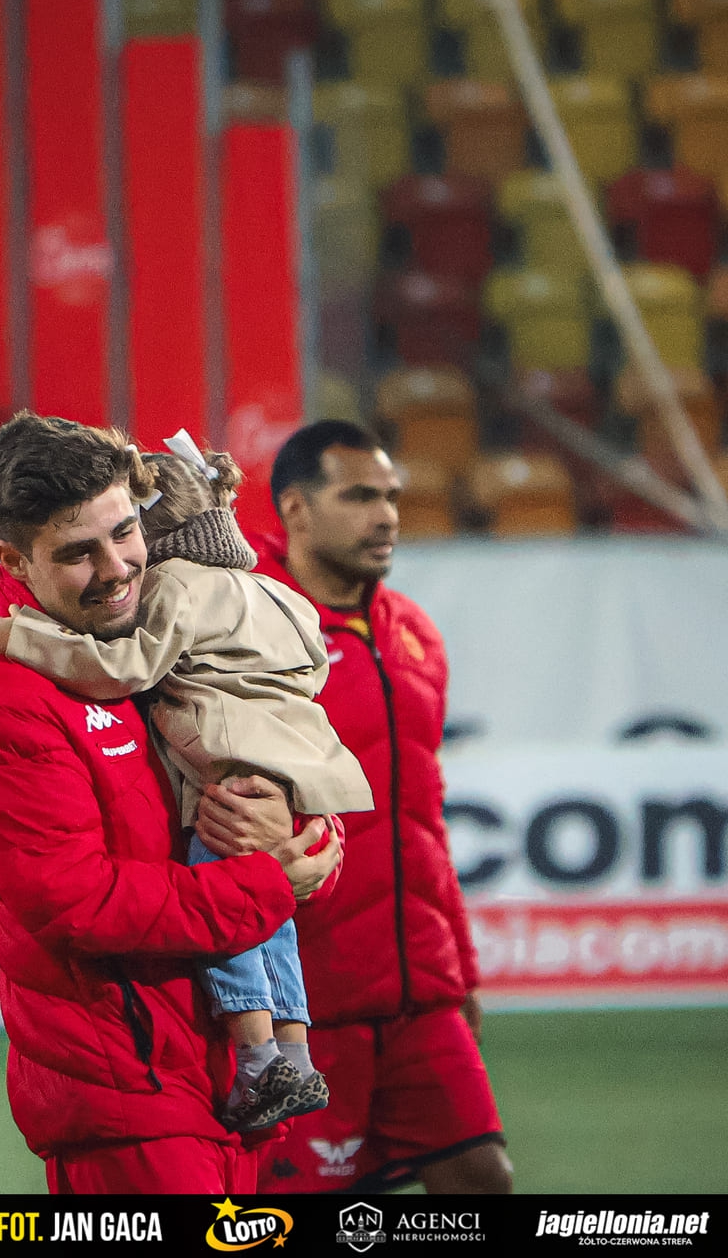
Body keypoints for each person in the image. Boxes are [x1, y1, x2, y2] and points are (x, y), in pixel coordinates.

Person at [0, 411, 341, 1194]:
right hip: (130, 1102)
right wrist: (267, 881)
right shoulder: (2, 697)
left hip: (229, 1091)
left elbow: (290, 791)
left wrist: (291, 834)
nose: (117, 568)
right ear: (14, 561)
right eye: (77, 553)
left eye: (124, 533)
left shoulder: (155, 639)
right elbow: (76, 902)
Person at [250, 419, 513, 1195]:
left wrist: (458, 967)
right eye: (361, 496)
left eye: (392, 497)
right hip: (306, 1001)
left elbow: (422, 816)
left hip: (418, 992)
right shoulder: (246, 628)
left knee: (484, 1179)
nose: (387, 515)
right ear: (296, 509)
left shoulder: (414, 633)